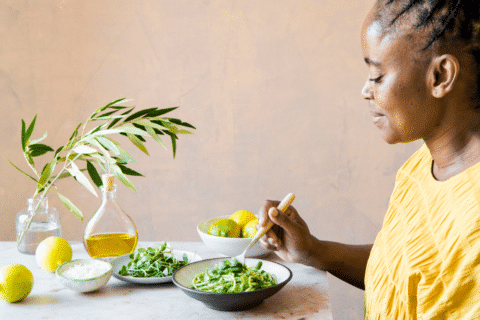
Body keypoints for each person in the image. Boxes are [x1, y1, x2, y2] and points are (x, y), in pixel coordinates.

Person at [258, 0, 480, 318]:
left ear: (440, 76)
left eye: (377, 76)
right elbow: (405, 274)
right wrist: (313, 250)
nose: (365, 90)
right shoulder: (421, 166)